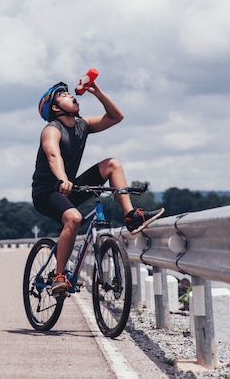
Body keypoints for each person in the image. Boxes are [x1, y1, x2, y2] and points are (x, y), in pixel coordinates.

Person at [32, 80, 164, 296]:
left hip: (69, 187)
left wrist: (97, 92)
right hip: (47, 192)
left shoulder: (82, 125)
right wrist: (63, 179)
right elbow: (53, 155)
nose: (71, 95)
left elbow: (116, 117)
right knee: (74, 218)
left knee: (112, 164)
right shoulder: (51, 130)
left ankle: (130, 216)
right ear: (55, 108)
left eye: (69, 93)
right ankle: (59, 275)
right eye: (63, 95)